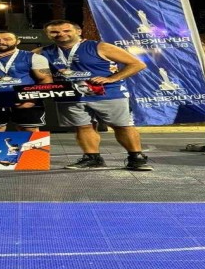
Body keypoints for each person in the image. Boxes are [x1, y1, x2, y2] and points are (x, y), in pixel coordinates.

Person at [36, 20, 153, 171]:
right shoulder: (41, 52)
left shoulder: (100, 47)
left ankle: (136, 158)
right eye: (54, 32)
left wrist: (113, 78)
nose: (61, 34)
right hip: (69, 96)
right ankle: (92, 158)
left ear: (78, 31)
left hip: (108, 94)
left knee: (122, 126)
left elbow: (137, 64)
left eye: (66, 30)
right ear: (47, 34)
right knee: (82, 127)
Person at [0, 31, 53, 132]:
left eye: (7, 39)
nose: (1, 42)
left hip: (26, 100)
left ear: (17, 41)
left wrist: (33, 99)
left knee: (29, 130)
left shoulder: (35, 57)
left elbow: (45, 79)